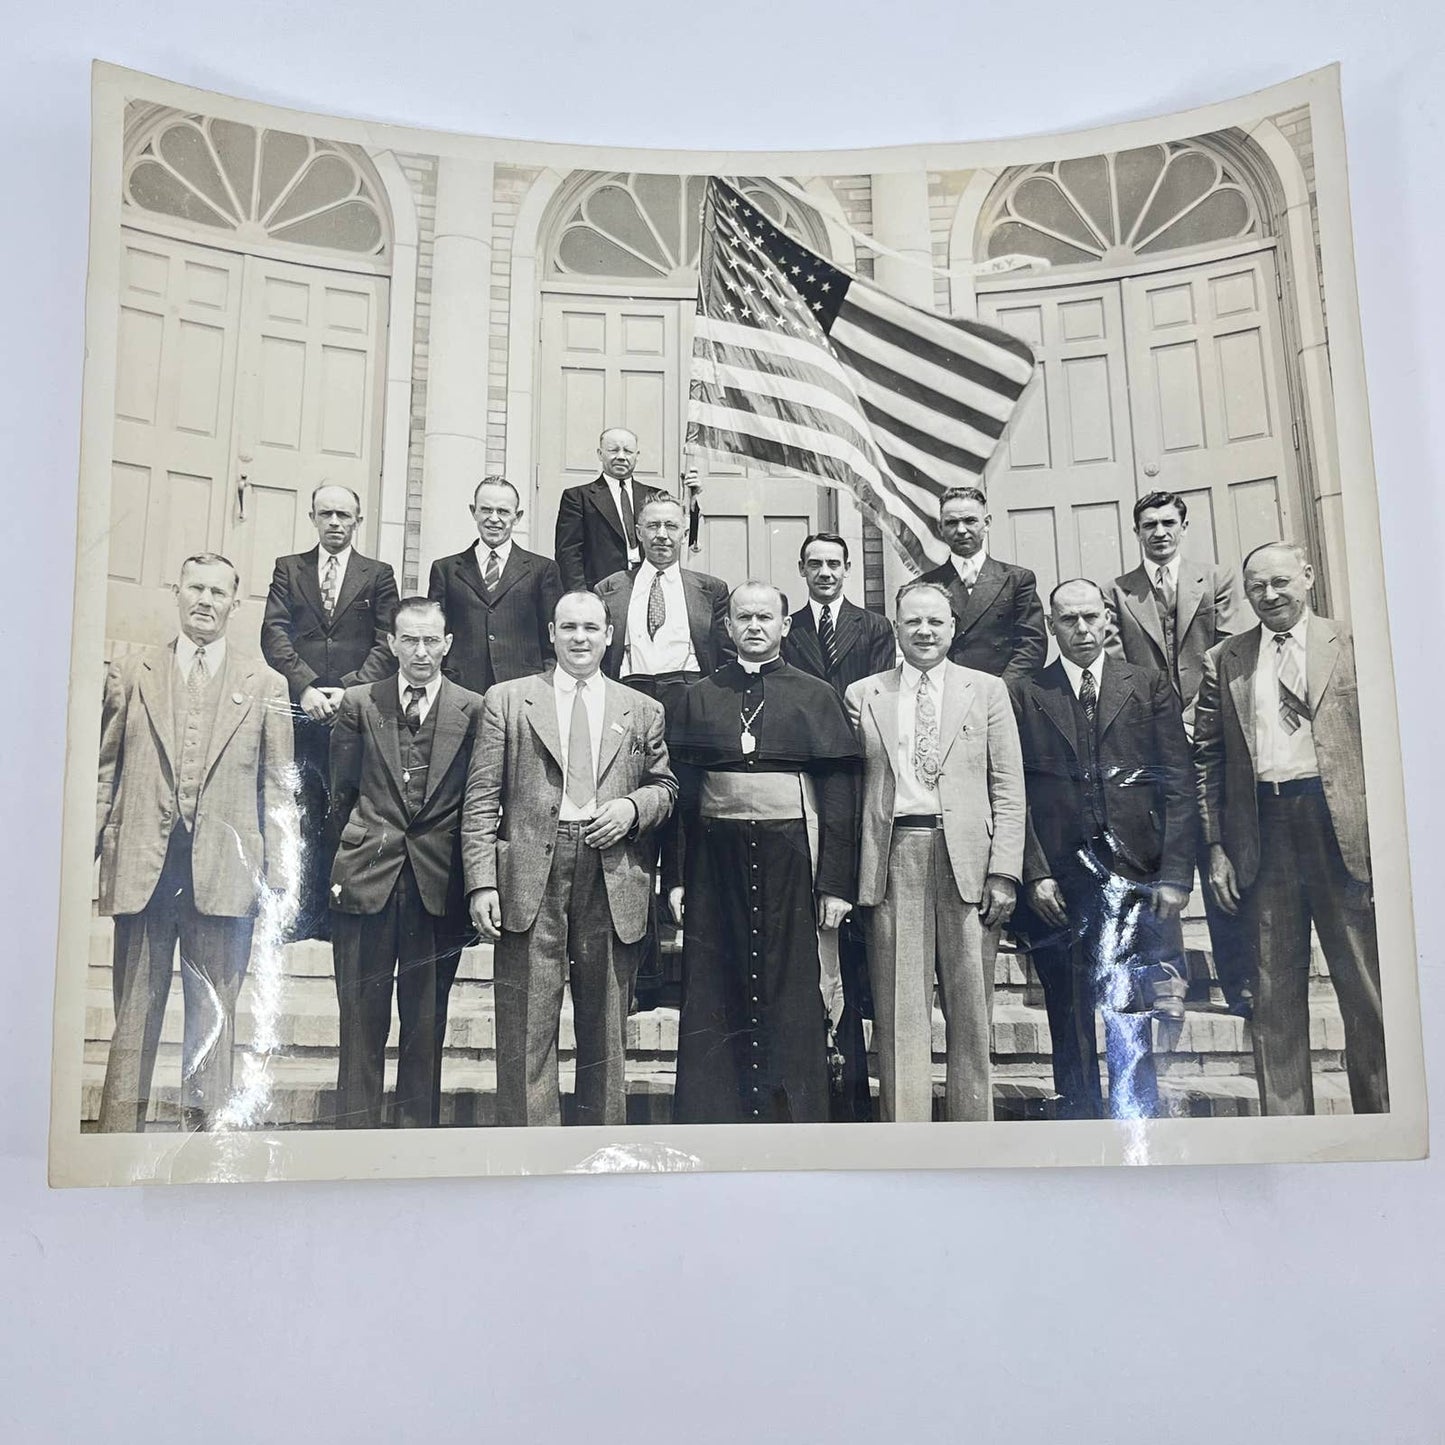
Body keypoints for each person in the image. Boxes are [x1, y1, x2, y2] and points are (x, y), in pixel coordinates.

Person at [95, 554, 297, 1132]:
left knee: (213, 1027)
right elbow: (104, 770)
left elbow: (279, 790)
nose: (205, 601)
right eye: (195, 589)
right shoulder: (133, 672)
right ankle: (114, 1150)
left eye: (218, 592)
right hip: (144, 874)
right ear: (176, 592)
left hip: (224, 875)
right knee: (132, 1024)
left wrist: (279, 877)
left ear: (236, 602)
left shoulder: (265, 685)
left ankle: (203, 1152)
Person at [463, 591, 677, 1127]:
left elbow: (666, 787)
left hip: (611, 869)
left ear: (609, 635)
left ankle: (599, 1150)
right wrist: (481, 882)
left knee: (606, 1025)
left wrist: (632, 808)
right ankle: (531, 1155)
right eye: (568, 627)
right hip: (533, 871)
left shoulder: (642, 709)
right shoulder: (509, 701)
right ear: (552, 634)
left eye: (591, 628)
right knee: (527, 1024)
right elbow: (482, 797)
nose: (580, 638)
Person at [1193, 542, 1387, 1116]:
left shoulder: (1354, 643)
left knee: (1365, 987)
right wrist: (1216, 847)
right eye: (1257, 587)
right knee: (1274, 993)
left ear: (1307, 576)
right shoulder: (1227, 658)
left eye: (1280, 582)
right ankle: (1288, 1126)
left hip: (1340, 830)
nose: (1270, 595)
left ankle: (1381, 1117)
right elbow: (1206, 757)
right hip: (1264, 830)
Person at [668, 582, 861, 1124]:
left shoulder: (816, 694)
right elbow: (683, 793)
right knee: (716, 989)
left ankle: (791, 1119)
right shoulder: (700, 696)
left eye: (765, 618)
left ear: (785, 627)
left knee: (793, 993)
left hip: (793, 859)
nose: (754, 627)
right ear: (727, 628)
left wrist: (837, 885)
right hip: (715, 863)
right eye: (743, 617)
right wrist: (677, 878)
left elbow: (840, 800)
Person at [1011, 579, 1195, 1120]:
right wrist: (1035, 872)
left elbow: (1179, 782)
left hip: (1132, 874)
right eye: (1069, 620)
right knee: (1066, 1005)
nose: (1083, 630)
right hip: (1059, 879)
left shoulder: (1147, 684)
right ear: (1051, 625)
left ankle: (1133, 1112)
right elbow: (1012, 788)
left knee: (1131, 1000)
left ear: (1108, 620)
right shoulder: (1027, 693)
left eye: (1091, 618)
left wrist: (1175, 874)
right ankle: (1077, 1108)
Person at [845, 581, 1026, 1122]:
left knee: (971, 1008)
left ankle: (973, 1138)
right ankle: (908, 1140)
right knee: (900, 1009)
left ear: (952, 628)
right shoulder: (865, 694)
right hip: (895, 853)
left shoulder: (987, 691)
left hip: (967, 859)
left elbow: (1009, 789)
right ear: (896, 628)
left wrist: (1005, 872)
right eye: (913, 622)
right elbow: (854, 789)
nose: (924, 632)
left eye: (936, 622)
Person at [327, 597, 483, 1129]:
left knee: (425, 1023)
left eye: (431, 640)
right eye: (409, 640)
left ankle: (417, 1139)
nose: (421, 651)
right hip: (367, 880)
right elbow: (339, 794)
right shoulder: (359, 703)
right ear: (391, 644)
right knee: (360, 1021)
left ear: (447, 644)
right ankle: (355, 1136)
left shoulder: (473, 708)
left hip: (435, 886)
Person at [1108, 489, 1253, 1015]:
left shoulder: (1215, 580)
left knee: (1220, 854)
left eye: (1168, 522)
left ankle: (1241, 983)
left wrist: (1198, 717)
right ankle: (1166, 980)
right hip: (1152, 743)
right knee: (1158, 857)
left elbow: (1232, 650)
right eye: (1149, 524)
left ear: (1183, 525)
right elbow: (1117, 665)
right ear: (1137, 532)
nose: (1160, 532)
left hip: (1211, 734)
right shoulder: (1119, 592)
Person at [594, 493, 731, 1009]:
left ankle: (697, 979)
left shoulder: (710, 590)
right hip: (628, 698)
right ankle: (640, 978)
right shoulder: (610, 589)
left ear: (685, 532)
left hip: (689, 698)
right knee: (635, 826)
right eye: (651, 525)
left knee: (688, 820)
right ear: (637, 530)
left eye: (672, 525)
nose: (662, 535)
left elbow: (722, 655)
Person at [782, 530, 896, 1119]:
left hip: (857, 767)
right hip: (803, 769)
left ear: (848, 569)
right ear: (801, 570)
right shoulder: (788, 626)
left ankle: (852, 1072)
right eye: (814, 564)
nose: (824, 572)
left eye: (834, 564)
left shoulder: (874, 629)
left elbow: (876, 700)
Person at [261, 483, 399, 940]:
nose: (335, 522)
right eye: (327, 514)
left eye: (344, 515)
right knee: (302, 808)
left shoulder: (377, 574)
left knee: (345, 808)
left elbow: (386, 642)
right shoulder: (289, 569)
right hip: (301, 713)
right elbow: (274, 634)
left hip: (353, 713)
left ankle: (339, 913)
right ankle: (303, 913)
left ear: (358, 520)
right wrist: (305, 688)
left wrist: (348, 691)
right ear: (313, 518)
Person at [427, 475, 562, 695]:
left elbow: (552, 639)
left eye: (503, 511)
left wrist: (544, 686)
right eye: (486, 510)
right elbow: (436, 633)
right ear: (474, 512)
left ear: (517, 517)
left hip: (523, 688)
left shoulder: (543, 570)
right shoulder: (446, 569)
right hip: (461, 687)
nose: (494, 518)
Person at [917, 485, 1046, 683]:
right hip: (947, 694)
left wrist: (1000, 693)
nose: (961, 530)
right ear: (940, 528)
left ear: (986, 523)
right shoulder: (924, 586)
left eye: (970, 521)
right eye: (951, 523)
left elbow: (1031, 646)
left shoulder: (1017, 580)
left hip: (1002, 695)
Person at [554, 427, 667, 591]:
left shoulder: (653, 496)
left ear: (637, 456)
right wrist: (581, 595)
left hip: (650, 587)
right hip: (602, 589)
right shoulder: (578, 497)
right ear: (600, 454)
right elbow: (568, 554)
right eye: (613, 450)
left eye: (628, 451)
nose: (621, 457)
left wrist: (692, 504)